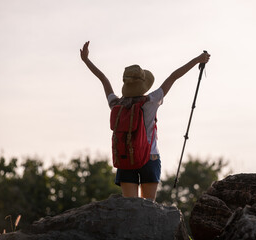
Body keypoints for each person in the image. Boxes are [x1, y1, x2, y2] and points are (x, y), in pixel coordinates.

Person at [80, 41, 210, 201]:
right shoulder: (151, 101)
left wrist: (86, 60)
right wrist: (198, 59)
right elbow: (173, 76)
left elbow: (104, 79)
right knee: (148, 209)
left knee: (131, 207)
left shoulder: (116, 104)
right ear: (143, 84)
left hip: (125, 158)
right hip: (150, 157)